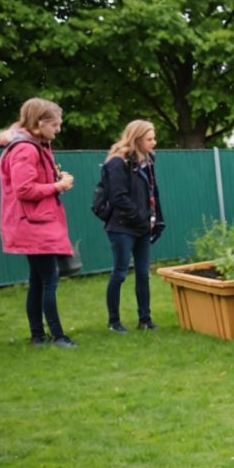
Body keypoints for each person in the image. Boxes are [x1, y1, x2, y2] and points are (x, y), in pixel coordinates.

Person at [0, 97, 78, 348]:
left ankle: (38, 336)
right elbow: (24, 190)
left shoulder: (35, 145)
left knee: (37, 281)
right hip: (33, 225)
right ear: (40, 122)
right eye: (55, 125)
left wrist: (56, 180)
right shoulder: (26, 149)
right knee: (49, 281)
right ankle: (57, 336)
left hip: (33, 223)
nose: (58, 129)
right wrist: (58, 185)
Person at [102, 119, 165, 333]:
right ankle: (114, 322)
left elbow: (152, 193)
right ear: (136, 139)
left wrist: (155, 219)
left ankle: (145, 320)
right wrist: (140, 217)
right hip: (122, 227)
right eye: (149, 139)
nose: (153, 142)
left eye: (153, 138)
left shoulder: (147, 161)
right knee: (120, 273)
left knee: (143, 273)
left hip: (142, 227)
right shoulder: (117, 163)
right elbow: (118, 197)